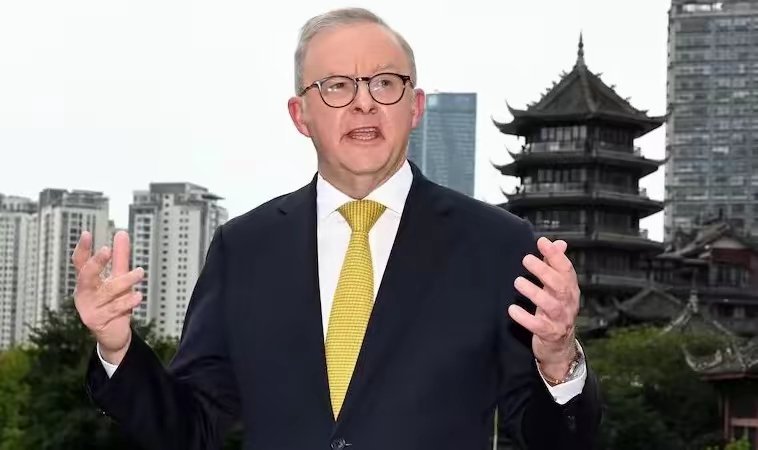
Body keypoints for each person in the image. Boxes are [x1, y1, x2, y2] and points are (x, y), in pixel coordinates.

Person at [73, 7, 600, 450]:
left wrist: (559, 360)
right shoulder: (245, 249)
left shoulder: (498, 246)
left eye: (385, 83)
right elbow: (189, 430)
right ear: (300, 114)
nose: (364, 102)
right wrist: (118, 350)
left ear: (415, 106)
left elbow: (553, 439)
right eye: (337, 87)